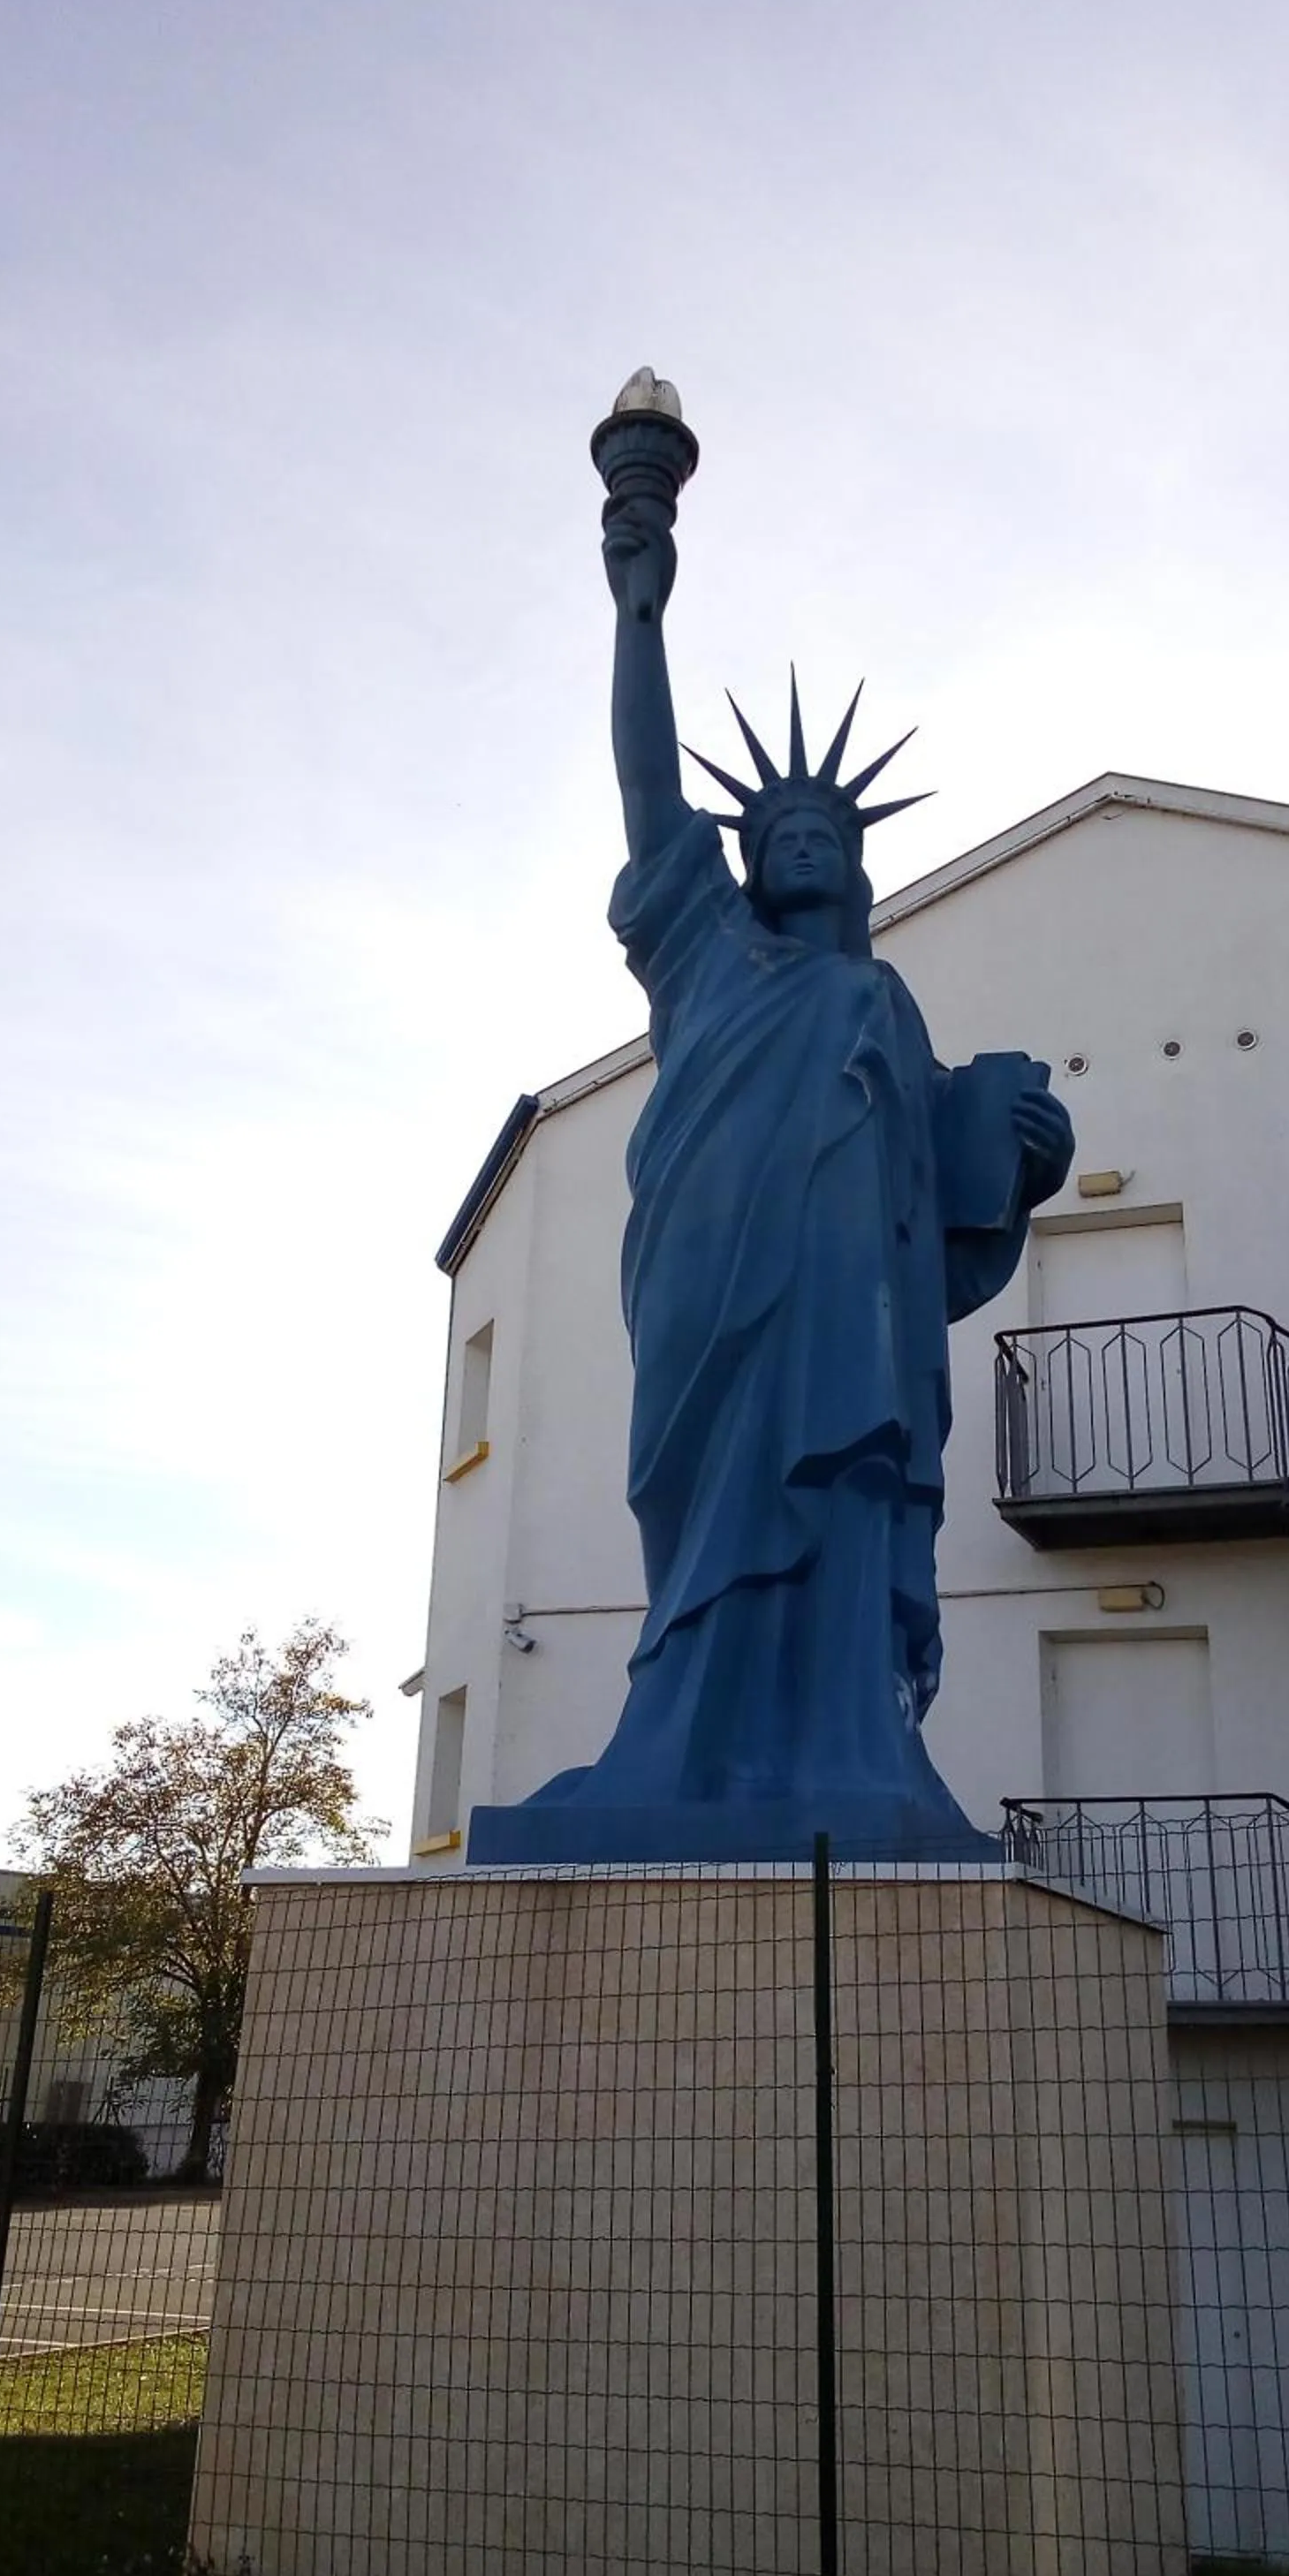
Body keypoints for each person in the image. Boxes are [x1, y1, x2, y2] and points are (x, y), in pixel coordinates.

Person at [473, 487, 1073, 1865]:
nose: (800, 839)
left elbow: (944, 1200)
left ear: (857, 859)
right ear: (744, 860)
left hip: (847, 1306)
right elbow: (644, 789)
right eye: (776, 831)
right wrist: (640, 607)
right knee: (703, 1519)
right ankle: (677, 1750)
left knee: (852, 1493)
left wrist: (1028, 1169)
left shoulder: (883, 997)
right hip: (708, 1279)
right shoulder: (704, 951)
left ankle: (851, 1748)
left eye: (827, 831)